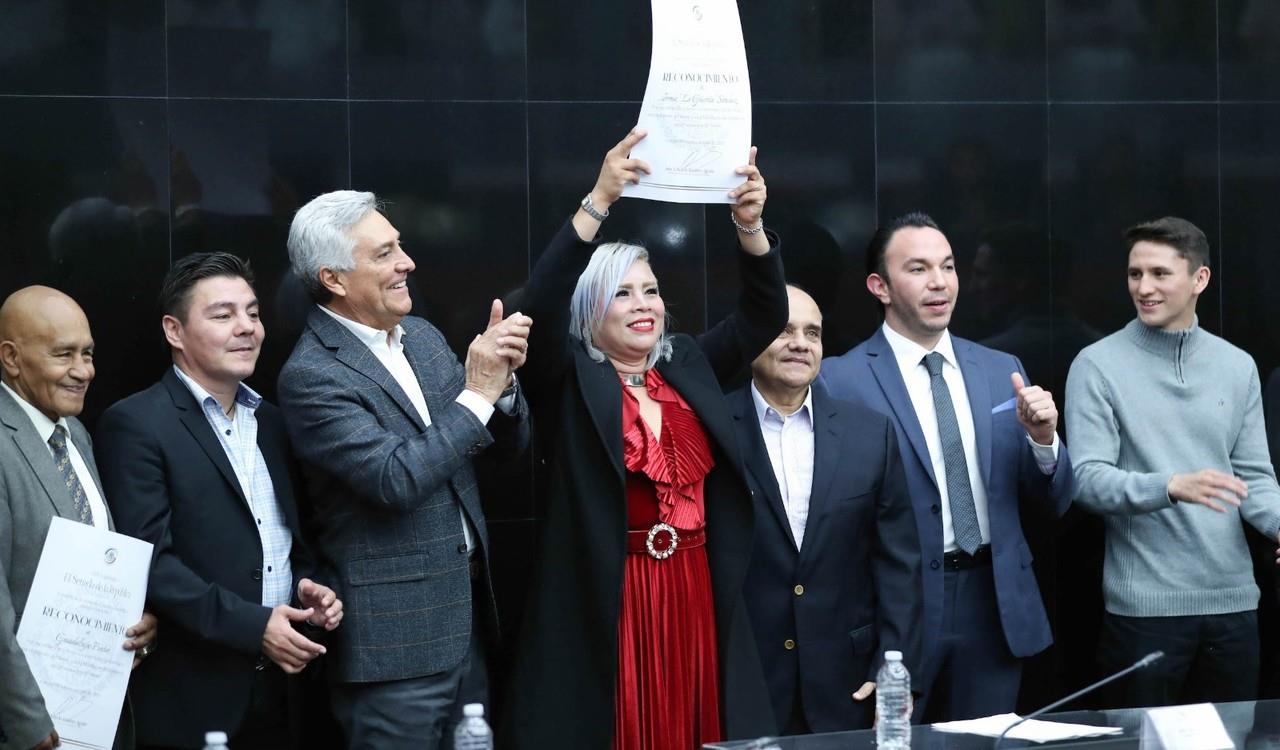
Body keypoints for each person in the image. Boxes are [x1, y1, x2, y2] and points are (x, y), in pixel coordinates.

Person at [502, 130, 785, 749]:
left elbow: (765, 316)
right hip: (612, 598)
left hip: (695, 591)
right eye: (621, 293)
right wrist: (599, 199)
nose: (643, 305)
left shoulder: (686, 363)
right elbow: (539, 303)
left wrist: (751, 227)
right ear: (590, 312)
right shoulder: (568, 376)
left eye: (651, 290)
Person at [277, 190, 531, 750]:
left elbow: (498, 451)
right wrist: (479, 393)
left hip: (468, 626)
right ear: (335, 279)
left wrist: (504, 388)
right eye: (384, 253)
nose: (406, 263)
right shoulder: (313, 375)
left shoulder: (426, 339)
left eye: (401, 247)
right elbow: (396, 480)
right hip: (393, 649)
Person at [821, 212, 1074, 721]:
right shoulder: (839, 380)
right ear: (880, 286)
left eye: (949, 266)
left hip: (994, 601)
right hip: (897, 608)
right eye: (918, 269)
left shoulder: (1001, 368)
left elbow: (1052, 501)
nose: (939, 282)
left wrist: (1044, 442)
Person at [96, 254, 343, 749]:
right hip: (194, 694)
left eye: (253, 313)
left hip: (285, 689)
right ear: (174, 330)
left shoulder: (272, 422)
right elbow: (151, 564)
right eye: (223, 315)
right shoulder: (138, 424)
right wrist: (255, 627)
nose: (246, 328)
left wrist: (312, 587)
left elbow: (294, 538)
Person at [1065, 216, 1280, 707]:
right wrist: (1170, 485)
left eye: (1160, 274)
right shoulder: (1097, 364)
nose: (1144, 287)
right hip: (1145, 613)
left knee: (1231, 743)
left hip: (1235, 606)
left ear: (1199, 279)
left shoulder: (1236, 365)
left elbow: (1254, 479)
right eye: (1135, 274)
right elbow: (1085, 480)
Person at [730, 284, 921, 733]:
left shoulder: (870, 434)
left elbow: (900, 565)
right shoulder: (712, 428)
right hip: (746, 680)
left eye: (812, 333)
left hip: (849, 682)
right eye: (784, 330)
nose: (801, 343)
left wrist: (893, 669)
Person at [0, 286, 156, 750]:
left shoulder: (75, 434)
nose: (83, 371)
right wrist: (26, 721)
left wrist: (134, 621)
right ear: (11, 358)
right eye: (63, 354)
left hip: (96, 716)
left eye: (87, 354)